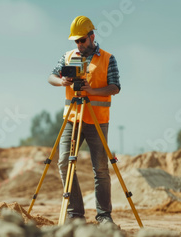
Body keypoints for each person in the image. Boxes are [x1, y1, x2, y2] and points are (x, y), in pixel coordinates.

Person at [48, 16, 121, 224]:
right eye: (76, 41)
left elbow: (115, 87)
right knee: (64, 163)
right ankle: (75, 213)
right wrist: (62, 81)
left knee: (100, 168)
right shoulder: (68, 56)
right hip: (72, 119)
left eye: (82, 40)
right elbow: (50, 77)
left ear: (92, 36)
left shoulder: (108, 58)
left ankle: (104, 215)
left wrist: (93, 91)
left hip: (97, 120)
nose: (79, 44)